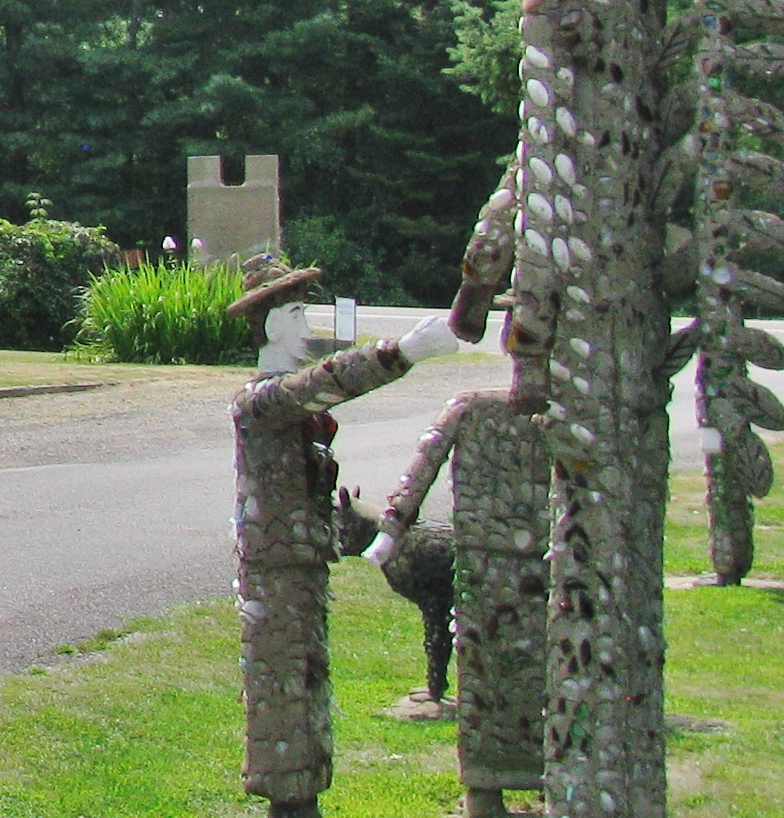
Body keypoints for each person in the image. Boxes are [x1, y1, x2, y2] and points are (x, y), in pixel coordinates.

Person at [230, 254, 458, 818]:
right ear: (276, 324)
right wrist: (401, 352)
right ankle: (290, 800)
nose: (308, 329)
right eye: (299, 315)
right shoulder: (261, 402)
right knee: (283, 686)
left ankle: (302, 795)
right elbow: (321, 384)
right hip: (276, 568)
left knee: (306, 683)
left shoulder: (283, 400)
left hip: (298, 565)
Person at [371, 224, 550, 818]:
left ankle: (548, 776)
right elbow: (424, 463)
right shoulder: (472, 410)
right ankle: (486, 786)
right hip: (482, 564)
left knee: (545, 671)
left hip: (548, 563)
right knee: (485, 673)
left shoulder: (564, 418)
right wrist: (392, 525)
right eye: (523, 339)